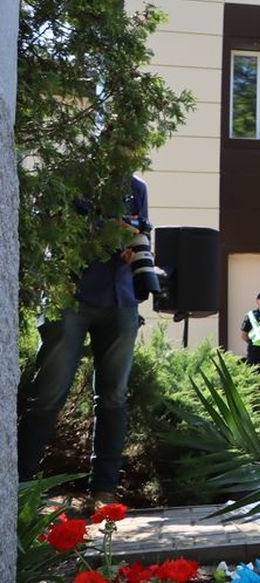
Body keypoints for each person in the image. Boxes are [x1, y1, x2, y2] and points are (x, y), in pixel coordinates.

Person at [18, 176, 150, 504]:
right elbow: (56, 233)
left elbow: (142, 236)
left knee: (114, 398)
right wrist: (104, 231)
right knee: (47, 395)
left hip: (121, 301)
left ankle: (103, 492)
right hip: (70, 300)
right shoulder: (72, 175)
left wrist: (135, 248)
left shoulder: (137, 188)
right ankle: (18, 488)